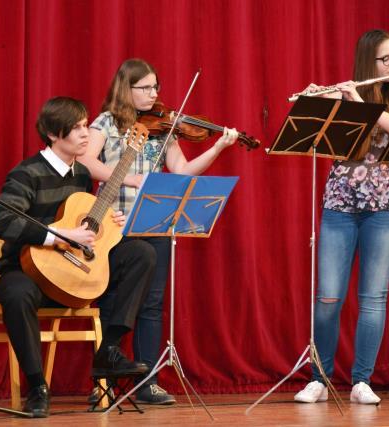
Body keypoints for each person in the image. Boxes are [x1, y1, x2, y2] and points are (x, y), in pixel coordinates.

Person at [78, 58, 239, 405]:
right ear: (127, 88)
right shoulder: (105, 122)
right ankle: (102, 381)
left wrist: (216, 147)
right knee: (113, 298)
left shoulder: (164, 127)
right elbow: (86, 161)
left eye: (156, 87)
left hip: (153, 219)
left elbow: (181, 171)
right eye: (146, 88)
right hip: (114, 223)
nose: (154, 94)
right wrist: (130, 177)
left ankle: (147, 380)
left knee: (152, 303)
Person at [0, 96, 156, 417]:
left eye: (85, 126)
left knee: (141, 253)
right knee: (13, 291)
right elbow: (3, 222)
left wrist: (110, 222)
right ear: (54, 134)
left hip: (74, 275)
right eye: (78, 128)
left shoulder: (81, 174)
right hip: (31, 274)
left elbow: (83, 220)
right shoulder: (27, 173)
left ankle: (108, 349)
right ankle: (37, 387)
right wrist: (58, 235)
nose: (86, 133)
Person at [293, 29, 389, 405]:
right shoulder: (343, 96)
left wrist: (361, 101)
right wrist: (315, 99)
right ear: (368, 63)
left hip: (384, 208)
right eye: (387, 59)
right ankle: (319, 378)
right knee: (329, 296)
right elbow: (307, 127)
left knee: (373, 298)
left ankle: (362, 380)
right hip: (339, 206)